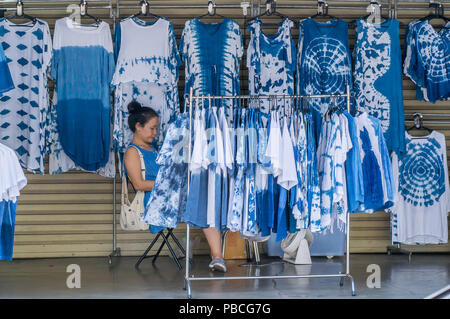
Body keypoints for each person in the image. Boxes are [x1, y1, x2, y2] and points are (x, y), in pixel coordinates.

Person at [124, 101, 226, 272]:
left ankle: (218, 257)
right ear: (138, 127)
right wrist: (171, 183)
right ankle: (217, 255)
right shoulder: (132, 152)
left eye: (156, 128)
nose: (156, 133)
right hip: (155, 201)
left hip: (169, 194)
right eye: (152, 128)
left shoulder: (152, 148)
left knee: (205, 204)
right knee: (202, 204)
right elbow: (139, 184)